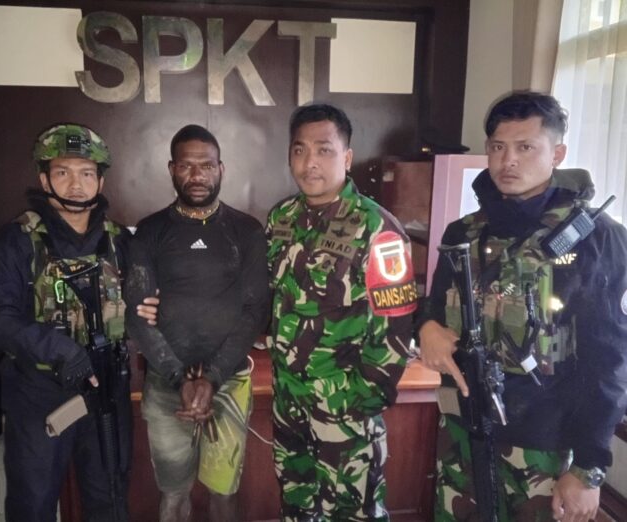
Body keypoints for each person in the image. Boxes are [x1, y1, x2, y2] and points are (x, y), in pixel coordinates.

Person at [417, 91, 627, 521]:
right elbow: (434, 307)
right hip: (463, 430)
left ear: (557, 154)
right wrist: (427, 328)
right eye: (498, 147)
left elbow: (610, 361)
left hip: (545, 445)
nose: (507, 160)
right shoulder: (463, 232)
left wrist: (589, 469)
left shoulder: (596, 238)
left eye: (525, 147)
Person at [0, 123, 158, 522]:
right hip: (39, 391)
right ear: (44, 179)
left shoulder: (119, 241)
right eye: (63, 172)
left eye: (86, 173)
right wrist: (60, 350)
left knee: (110, 496)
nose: (76, 185)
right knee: (33, 502)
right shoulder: (19, 240)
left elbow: (141, 304)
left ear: (100, 181)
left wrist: (146, 312)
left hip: (107, 385)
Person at [266, 103, 418, 521]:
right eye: (299, 150)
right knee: (296, 507)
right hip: (289, 403)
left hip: (344, 409)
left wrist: (356, 402)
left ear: (347, 157)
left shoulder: (377, 228)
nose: (309, 162)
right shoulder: (282, 218)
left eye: (324, 150)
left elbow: (395, 331)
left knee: (352, 513)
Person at [124, 124, 270, 522]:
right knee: (173, 496)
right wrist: (179, 378)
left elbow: (255, 311)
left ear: (221, 168)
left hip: (229, 381)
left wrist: (213, 377)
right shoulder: (150, 231)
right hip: (166, 383)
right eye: (186, 166)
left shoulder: (246, 231)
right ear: (172, 169)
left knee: (225, 495)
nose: (197, 175)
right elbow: (137, 314)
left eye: (206, 165)